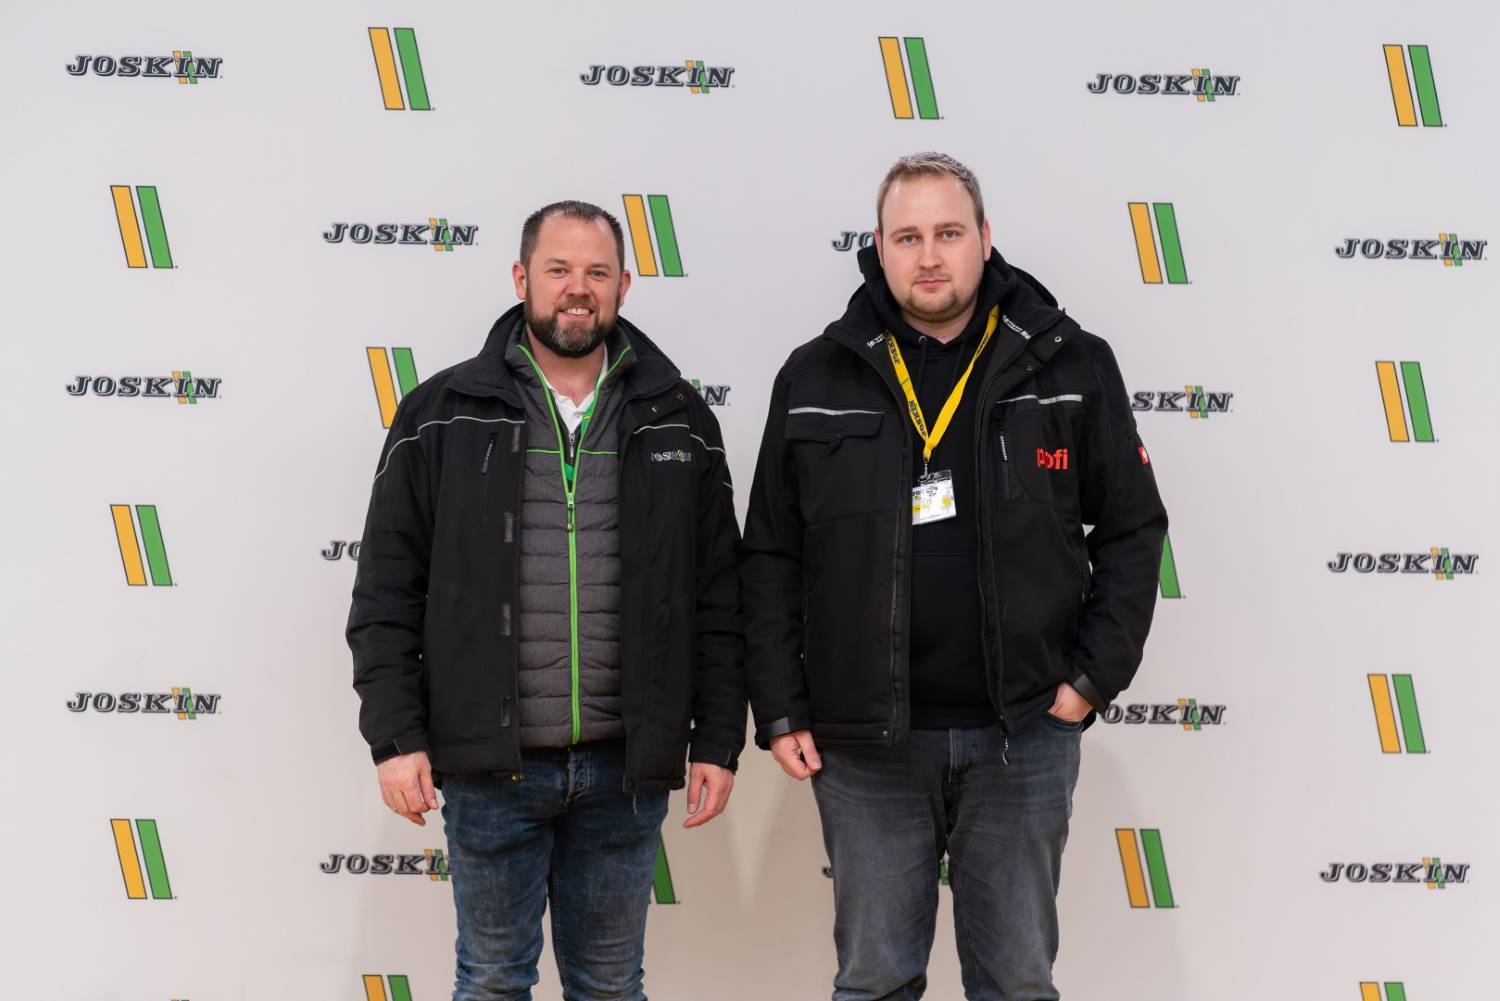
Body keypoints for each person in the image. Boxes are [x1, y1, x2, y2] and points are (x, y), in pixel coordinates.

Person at [741, 153, 1168, 1000]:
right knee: (874, 981)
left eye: (948, 232)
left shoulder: (1070, 364)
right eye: (908, 237)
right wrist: (782, 705)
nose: (929, 256)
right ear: (878, 246)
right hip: (865, 747)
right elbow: (772, 555)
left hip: (1021, 736)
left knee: (1016, 983)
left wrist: (1090, 680)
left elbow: (1132, 528)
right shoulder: (816, 374)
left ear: (984, 238)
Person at [347, 200, 745, 1001]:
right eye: (558, 269)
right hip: (489, 770)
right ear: (521, 278)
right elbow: (387, 589)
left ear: (623, 286)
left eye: (597, 272)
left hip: (624, 769)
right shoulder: (441, 414)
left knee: (610, 985)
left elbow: (718, 597)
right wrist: (395, 737)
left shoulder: (678, 417)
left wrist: (718, 739)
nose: (577, 288)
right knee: (494, 981)